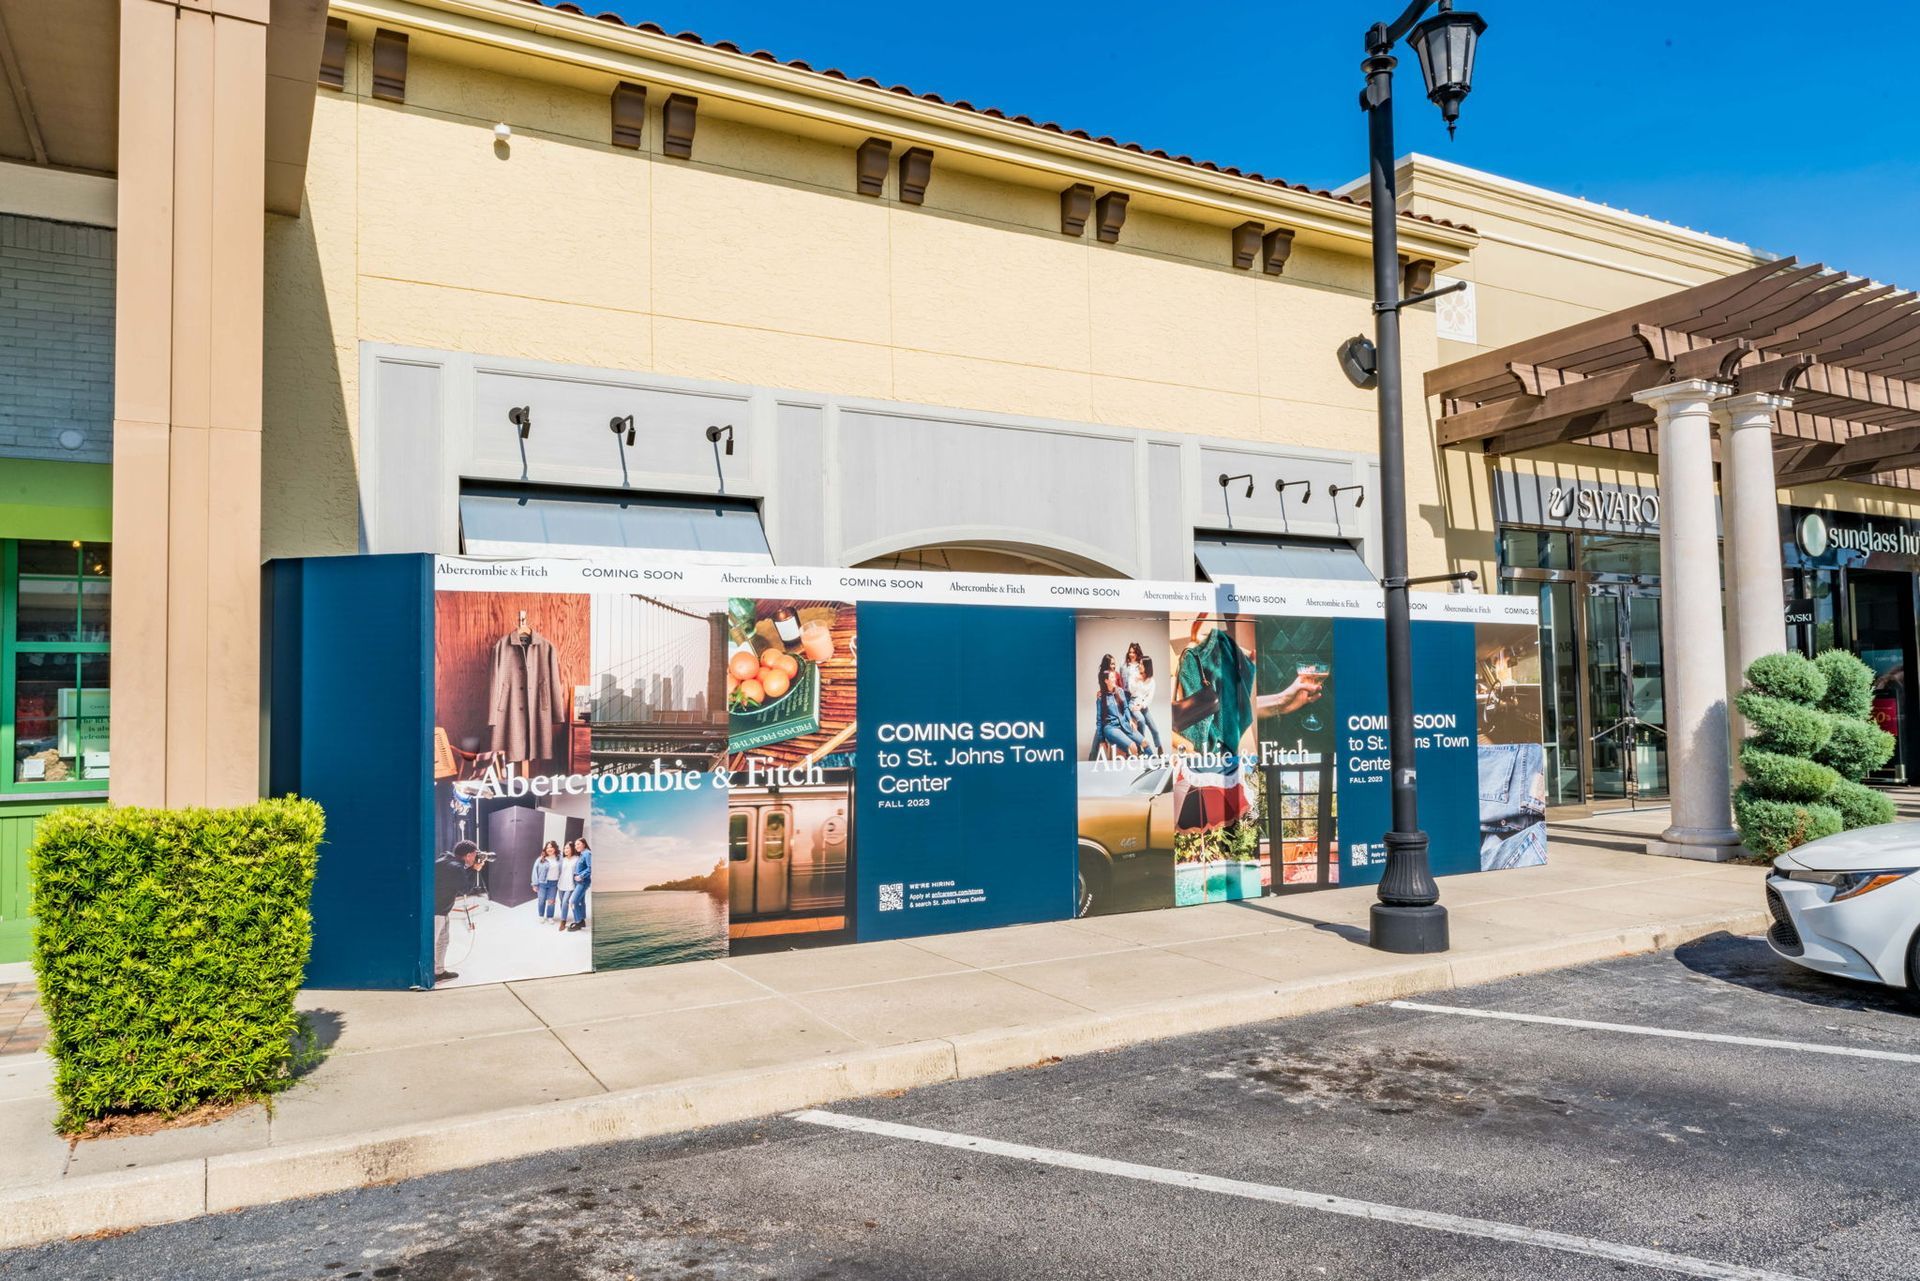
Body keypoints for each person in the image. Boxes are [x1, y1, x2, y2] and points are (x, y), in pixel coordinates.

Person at [432, 840, 479, 982]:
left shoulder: (445, 858)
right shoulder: (457, 868)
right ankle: (428, 975)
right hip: (437, 911)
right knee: (432, 943)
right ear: (468, 855)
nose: (475, 858)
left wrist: (470, 868)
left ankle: (438, 972)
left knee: (442, 941)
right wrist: (474, 870)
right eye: (474, 855)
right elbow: (465, 889)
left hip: (438, 908)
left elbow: (455, 878)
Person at [1090, 660, 1146, 759]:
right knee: (1099, 732)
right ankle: (1092, 758)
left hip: (1122, 703)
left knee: (1140, 721)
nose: (1114, 665)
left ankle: (1138, 748)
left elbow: (1121, 690)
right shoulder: (1103, 676)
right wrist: (1102, 693)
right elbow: (1104, 689)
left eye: (1114, 663)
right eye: (1111, 663)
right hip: (1111, 712)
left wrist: (1129, 717)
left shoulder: (1116, 676)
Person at [1122, 645, 1165, 756]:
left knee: (1154, 728)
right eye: (1139, 663)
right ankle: (1142, 744)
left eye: (1141, 664)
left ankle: (1159, 746)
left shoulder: (1152, 681)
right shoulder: (1134, 676)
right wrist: (1137, 681)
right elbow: (1131, 691)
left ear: (1146, 666)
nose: (1139, 666)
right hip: (1133, 703)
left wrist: (1141, 706)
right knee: (1141, 720)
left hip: (1143, 706)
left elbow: (1149, 697)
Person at [567, 837, 593, 932]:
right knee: (579, 901)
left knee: (573, 901)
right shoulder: (582, 854)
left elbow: (591, 868)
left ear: (584, 844)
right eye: (575, 845)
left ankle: (578, 922)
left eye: (578, 844)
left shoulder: (587, 853)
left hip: (583, 882)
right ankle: (581, 921)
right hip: (579, 882)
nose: (576, 846)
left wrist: (581, 876)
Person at [532, 840, 561, 920]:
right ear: (545, 849)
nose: (549, 849)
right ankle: (541, 916)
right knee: (541, 900)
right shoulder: (541, 859)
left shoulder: (559, 858)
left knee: (551, 901)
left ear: (555, 848)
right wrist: (535, 884)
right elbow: (535, 871)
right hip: (542, 883)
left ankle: (550, 916)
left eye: (551, 847)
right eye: (547, 847)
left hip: (554, 883)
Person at [556, 840, 580, 933]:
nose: (565, 850)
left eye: (567, 848)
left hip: (571, 885)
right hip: (561, 884)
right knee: (562, 902)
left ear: (572, 849)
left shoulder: (576, 859)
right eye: (564, 848)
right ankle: (564, 915)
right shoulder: (562, 859)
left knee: (565, 902)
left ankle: (563, 921)